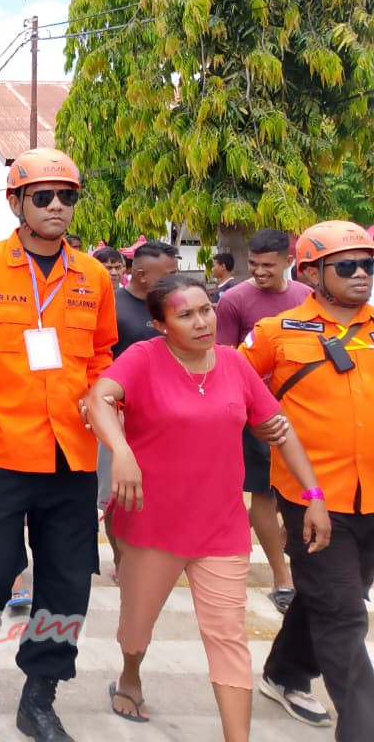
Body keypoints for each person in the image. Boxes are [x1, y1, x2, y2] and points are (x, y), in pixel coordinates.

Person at [85, 273, 328, 738]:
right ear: (160, 325)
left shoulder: (234, 366)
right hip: (150, 524)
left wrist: (313, 495)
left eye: (207, 309)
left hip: (221, 529)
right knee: (136, 627)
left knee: (228, 638)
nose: (202, 322)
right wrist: (123, 453)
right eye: (186, 314)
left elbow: (280, 428)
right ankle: (130, 674)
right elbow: (98, 399)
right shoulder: (144, 358)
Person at [0, 147, 117, 742]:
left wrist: (102, 400)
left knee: (67, 582)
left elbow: (100, 354)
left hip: (71, 456)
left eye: (67, 196)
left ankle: (39, 695)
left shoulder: (93, 277)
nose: (57, 207)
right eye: (43, 196)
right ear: (15, 202)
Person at [241, 220, 374, 737]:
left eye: (368, 264)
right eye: (347, 265)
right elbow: (233, 388)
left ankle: (285, 672)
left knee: (328, 597)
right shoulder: (277, 333)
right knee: (344, 614)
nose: (361, 274)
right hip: (313, 500)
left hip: (372, 499)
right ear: (313, 272)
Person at [216, 228, 310, 613]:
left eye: (268, 265)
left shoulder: (307, 299)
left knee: (305, 491)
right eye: (253, 264)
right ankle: (281, 577)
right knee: (263, 493)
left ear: (289, 262)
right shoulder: (234, 300)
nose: (259, 272)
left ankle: (291, 552)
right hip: (256, 413)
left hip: (305, 411)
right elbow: (223, 359)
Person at [98, 240, 180, 575]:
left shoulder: (172, 309)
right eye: (168, 275)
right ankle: (121, 559)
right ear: (143, 275)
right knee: (117, 495)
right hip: (119, 414)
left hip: (166, 416)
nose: (175, 281)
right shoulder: (113, 308)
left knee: (160, 492)